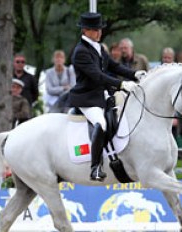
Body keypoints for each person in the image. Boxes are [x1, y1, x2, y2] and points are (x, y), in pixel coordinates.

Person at [68, 12, 145, 182]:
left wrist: (135, 74)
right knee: (101, 124)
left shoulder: (99, 47)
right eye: (96, 30)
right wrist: (121, 85)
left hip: (102, 95)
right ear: (85, 30)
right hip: (87, 98)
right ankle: (95, 167)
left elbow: (114, 66)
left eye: (100, 29)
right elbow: (97, 76)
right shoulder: (80, 51)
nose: (99, 32)